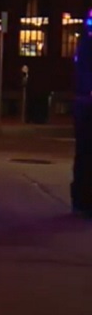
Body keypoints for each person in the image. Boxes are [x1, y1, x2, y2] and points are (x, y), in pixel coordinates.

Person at [72, 14, 92, 217]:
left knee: (85, 154)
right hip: (87, 105)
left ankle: (82, 199)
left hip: (84, 103)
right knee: (86, 154)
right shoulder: (86, 45)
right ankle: (82, 199)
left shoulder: (85, 43)